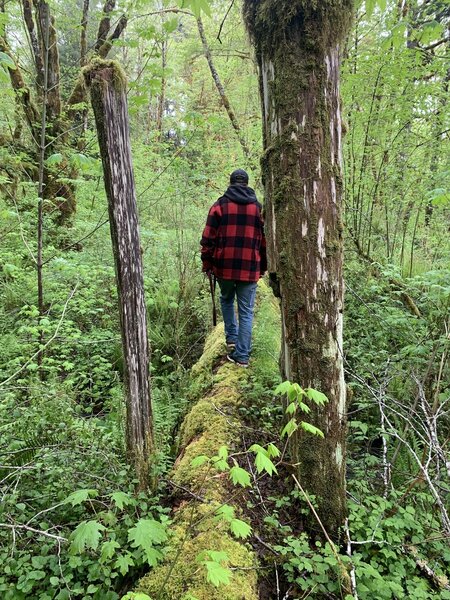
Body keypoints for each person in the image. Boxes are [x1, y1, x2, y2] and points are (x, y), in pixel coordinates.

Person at [200, 169, 267, 367]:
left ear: (230, 183)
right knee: (246, 311)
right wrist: (262, 267)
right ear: (246, 184)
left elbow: (207, 239)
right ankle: (242, 356)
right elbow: (265, 242)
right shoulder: (258, 209)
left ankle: (231, 339)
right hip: (249, 267)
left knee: (227, 299)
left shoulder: (219, 206)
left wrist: (207, 263)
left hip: (224, 267)